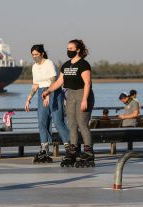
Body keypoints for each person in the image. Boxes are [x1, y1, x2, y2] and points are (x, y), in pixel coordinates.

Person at [42, 39, 95, 167]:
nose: (68, 50)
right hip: (70, 96)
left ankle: (88, 153)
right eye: (68, 48)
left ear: (78, 50)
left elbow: (87, 83)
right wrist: (48, 91)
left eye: (71, 48)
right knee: (71, 125)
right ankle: (73, 151)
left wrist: (84, 100)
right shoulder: (66, 65)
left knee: (82, 124)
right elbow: (60, 81)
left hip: (83, 94)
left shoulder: (84, 64)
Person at [25, 44, 70, 163]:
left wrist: (48, 94)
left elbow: (53, 80)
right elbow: (35, 84)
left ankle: (69, 147)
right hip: (41, 92)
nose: (34, 57)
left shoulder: (49, 63)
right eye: (32, 55)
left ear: (42, 53)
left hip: (54, 92)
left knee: (57, 120)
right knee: (42, 121)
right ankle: (44, 148)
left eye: (36, 54)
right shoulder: (34, 67)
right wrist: (29, 98)